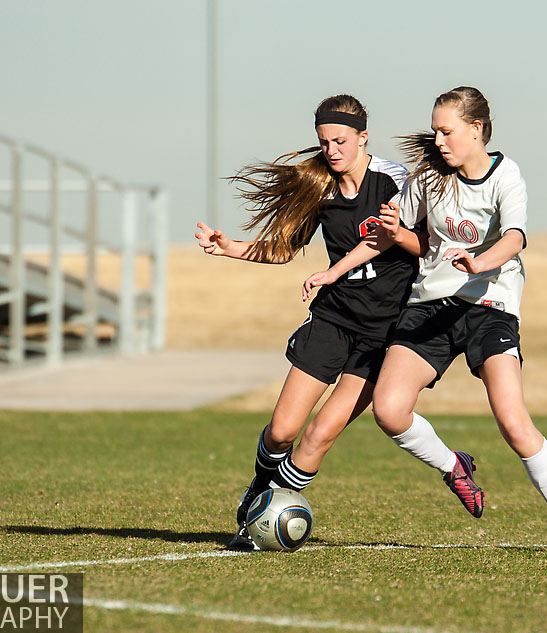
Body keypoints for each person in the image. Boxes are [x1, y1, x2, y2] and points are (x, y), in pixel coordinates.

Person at [305, 86, 547, 553]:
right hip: (431, 307)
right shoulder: (426, 180)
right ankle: (453, 466)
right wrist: (333, 271)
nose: (438, 140)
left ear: (477, 129)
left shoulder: (507, 175)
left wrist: (483, 264)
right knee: (389, 410)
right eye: (436, 131)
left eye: (447, 131)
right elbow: (385, 236)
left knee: (512, 420)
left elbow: (516, 238)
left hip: (489, 308)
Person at [196, 94, 485, 551]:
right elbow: (285, 249)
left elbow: (426, 244)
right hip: (333, 319)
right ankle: (258, 490)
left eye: (340, 140)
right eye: (324, 141)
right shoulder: (320, 188)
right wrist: (229, 246)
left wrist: (398, 236)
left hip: (385, 333)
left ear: (362, 137)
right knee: (283, 430)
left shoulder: (395, 181)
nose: (331, 150)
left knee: (318, 436)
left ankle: (262, 521)